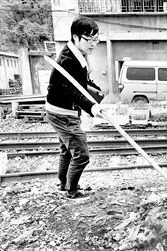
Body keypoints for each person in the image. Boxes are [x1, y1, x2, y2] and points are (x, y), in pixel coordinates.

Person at [45, 16, 106, 199]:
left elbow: (81, 83)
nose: (93, 44)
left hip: (61, 110)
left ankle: (65, 184)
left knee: (67, 150)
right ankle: (72, 191)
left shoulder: (78, 53)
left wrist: (94, 93)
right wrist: (92, 107)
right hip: (62, 113)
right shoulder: (68, 60)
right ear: (75, 37)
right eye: (89, 40)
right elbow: (72, 91)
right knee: (81, 154)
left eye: (96, 39)